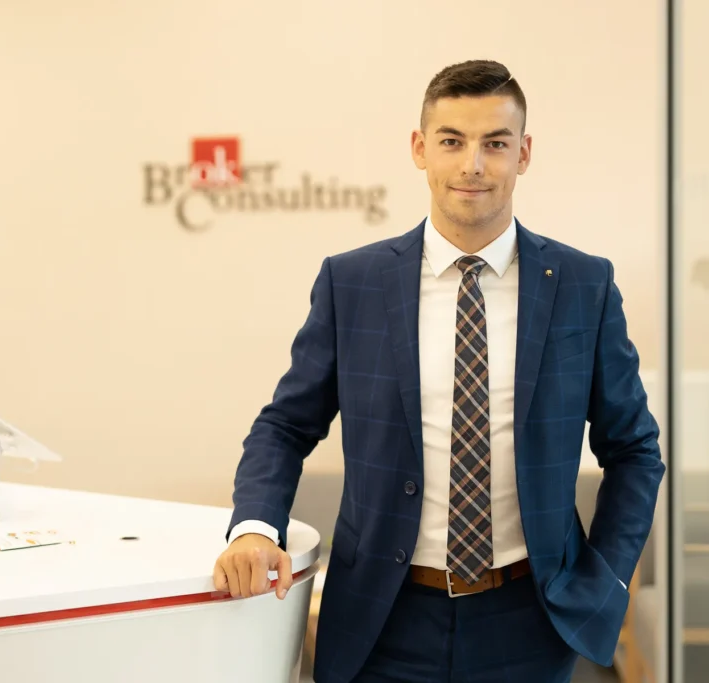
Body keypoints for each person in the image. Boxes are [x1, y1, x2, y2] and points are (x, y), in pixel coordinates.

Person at [212, 59, 665, 683]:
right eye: (452, 141)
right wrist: (256, 527)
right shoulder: (353, 282)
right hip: (381, 622)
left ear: (523, 154)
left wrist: (604, 578)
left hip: (531, 624)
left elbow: (634, 449)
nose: (472, 165)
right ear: (420, 149)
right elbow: (285, 426)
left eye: (495, 144)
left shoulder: (584, 285)